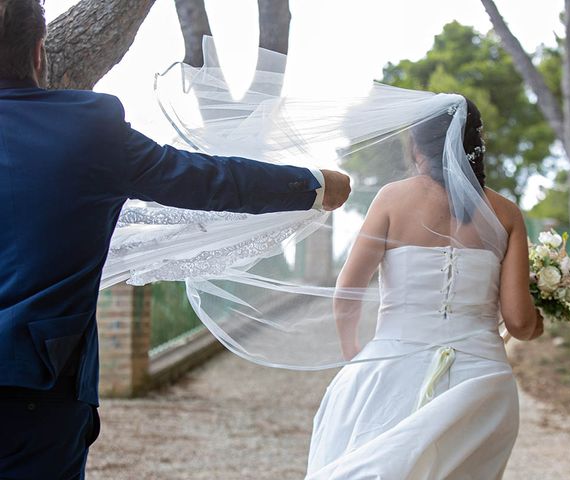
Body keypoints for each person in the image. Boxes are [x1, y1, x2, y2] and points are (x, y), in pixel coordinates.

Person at [0, 1, 350, 478]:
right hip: (36, 394)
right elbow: (204, 178)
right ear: (40, 53)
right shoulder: (86, 128)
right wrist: (312, 185)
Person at [305, 98, 544, 479]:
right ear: (476, 146)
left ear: (417, 147)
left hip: (390, 368)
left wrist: (357, 359)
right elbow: (518, 321)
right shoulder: (506, 213)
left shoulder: (391, 199)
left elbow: (346, 294)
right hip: (481, 382)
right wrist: (540, 320)